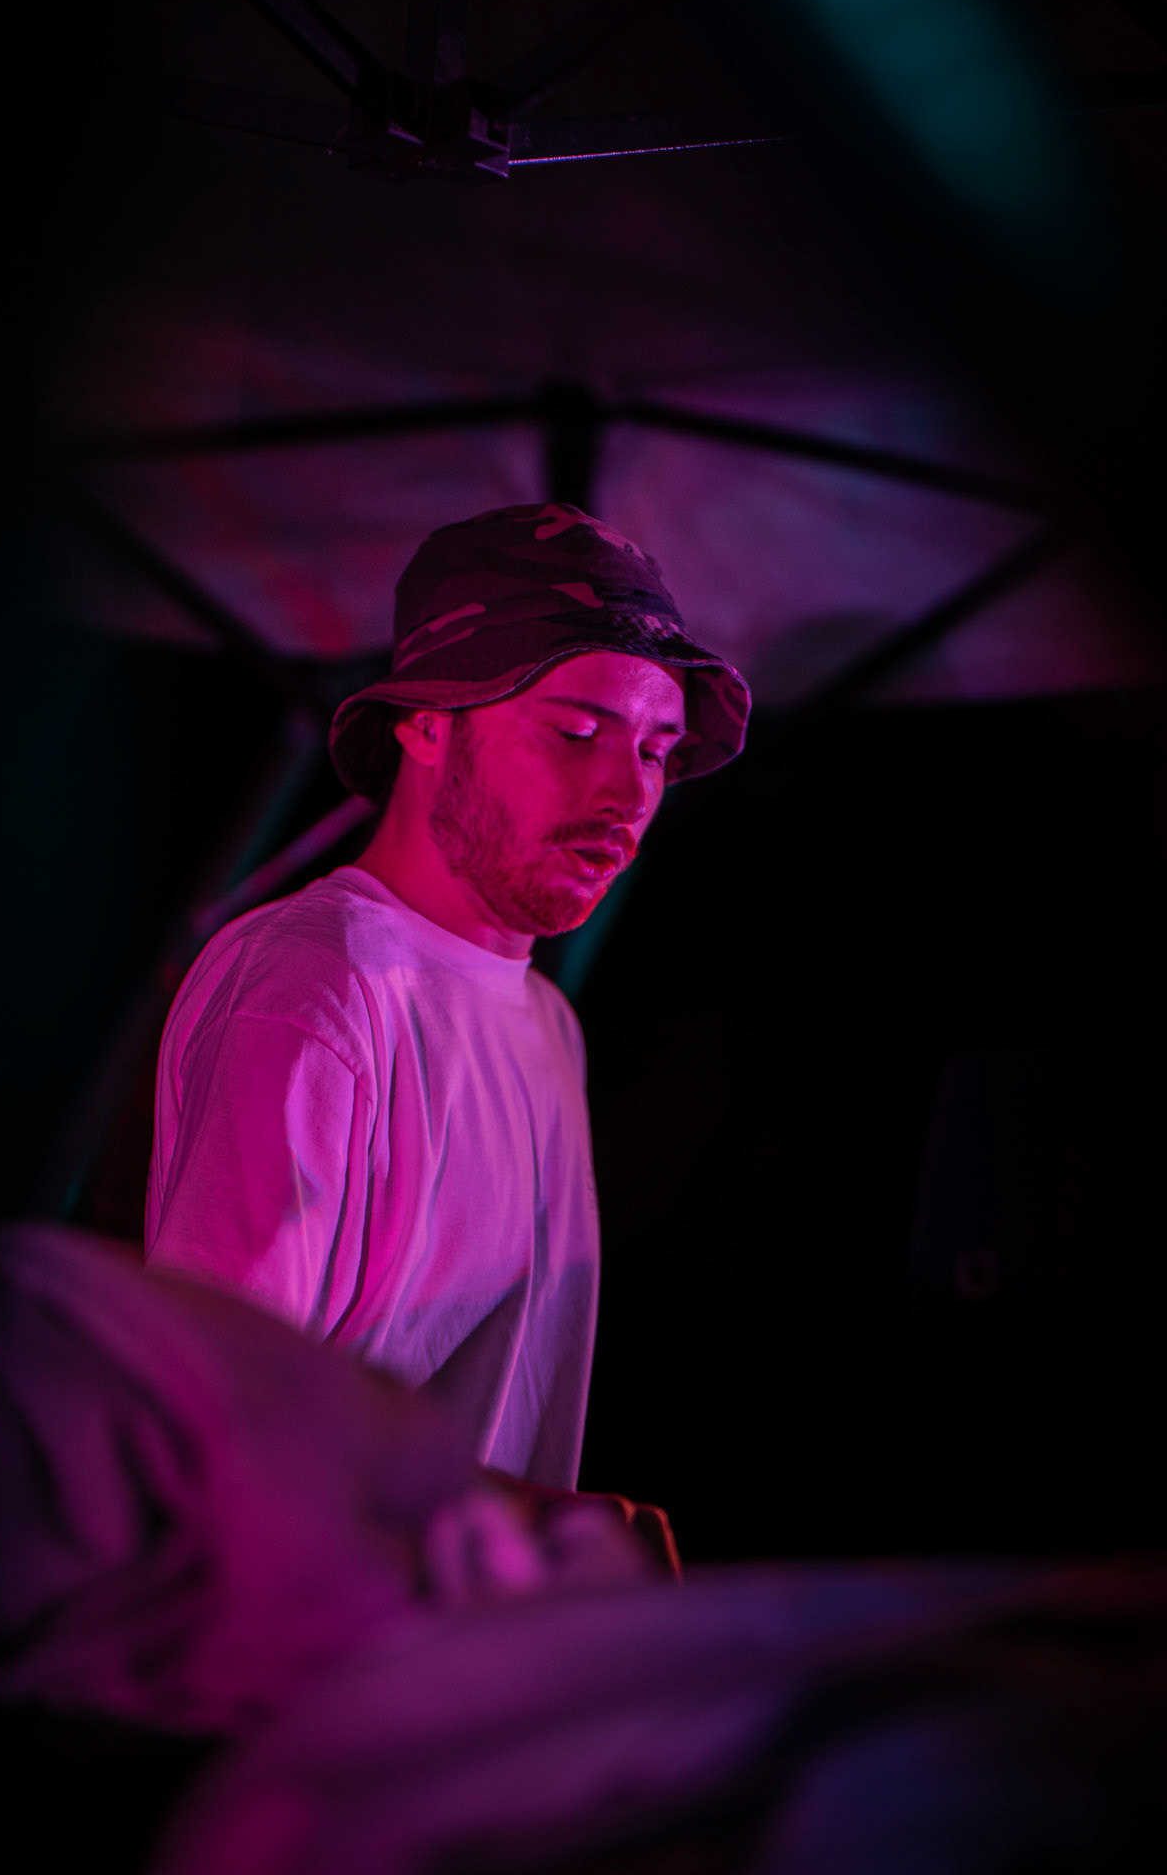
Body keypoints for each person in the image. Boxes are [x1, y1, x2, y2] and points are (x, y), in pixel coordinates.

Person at [144, 503, 749, 1489]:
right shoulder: (315, 983)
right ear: (427, 722)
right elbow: (213, 1428)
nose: (631, 795)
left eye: (654, 750)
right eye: (578, 731)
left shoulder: (547, 1020)